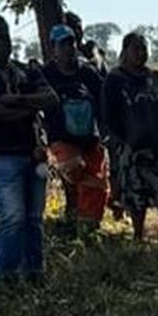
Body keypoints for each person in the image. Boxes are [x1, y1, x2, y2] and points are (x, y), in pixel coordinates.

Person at [0, 14, 57, 281]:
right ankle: (7, 273)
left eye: (2, 36)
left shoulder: (26, 69)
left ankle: (34, 271)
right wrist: (29, 108)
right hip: (3, 154)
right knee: (13, 217)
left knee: (34, 218)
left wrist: (14, 100)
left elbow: (51, 99)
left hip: (33, 151)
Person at [102, 32, 158, 241]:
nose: (141, 53)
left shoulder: (156, 78)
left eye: (144, 49)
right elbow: (108, 114)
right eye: (136, 49)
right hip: (134, 147)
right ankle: (138, 234)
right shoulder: (115, 80)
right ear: (125, 51)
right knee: (137, 194)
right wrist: (123, 139)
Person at [41, 24, 107, 231]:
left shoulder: (87, 73)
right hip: (61, 137)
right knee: (75, 170)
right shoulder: (45, 74)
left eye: (71, 43)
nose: (69, 48)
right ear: (53, 48)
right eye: (63, 44)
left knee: (94, 186)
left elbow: (103, 101)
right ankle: (99, 188)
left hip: (89, 138)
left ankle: (87, 227)